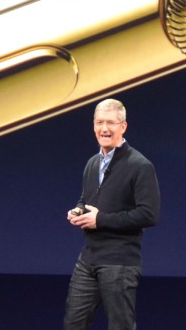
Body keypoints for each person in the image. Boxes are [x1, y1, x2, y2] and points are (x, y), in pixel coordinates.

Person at [64, 98, 160, 330]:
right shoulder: (92, 163)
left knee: (120, 326)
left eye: (110, 123)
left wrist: (100, 220)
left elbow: (149, 214)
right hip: (88, 260)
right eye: (99, 122)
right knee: (73, 324)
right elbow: (87, 199)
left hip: (119, 262)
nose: (104, 129)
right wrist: (78, 210)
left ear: (123, 126)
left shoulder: (140, 165)